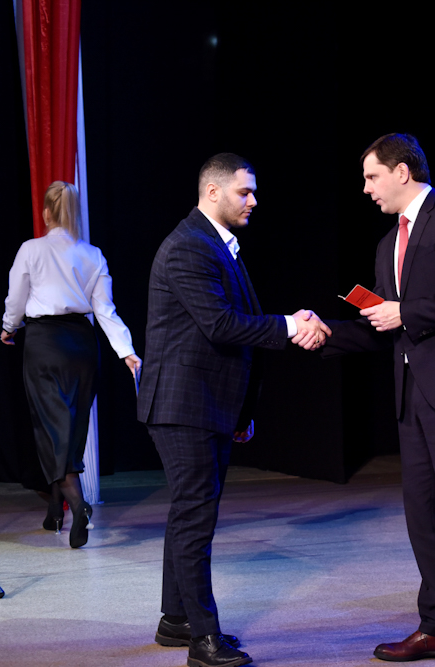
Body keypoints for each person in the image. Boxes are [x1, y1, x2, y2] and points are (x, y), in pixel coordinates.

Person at [137, 153, 329, 667]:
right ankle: (204, 641)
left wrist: (242, 410)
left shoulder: (217, 245)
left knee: (189, 513)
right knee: (195, 518)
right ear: (213, 192)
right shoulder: (189, 246)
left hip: (205, 404)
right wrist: (291, 325)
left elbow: (233, 327)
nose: (254, 201)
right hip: (183, 404)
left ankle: (176, 620)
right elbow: (221, 325)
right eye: (245, 191)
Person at [321, 133, 435, 667]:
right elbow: (383, 327)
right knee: (423, 516)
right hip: (411, 395)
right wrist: (324, 334)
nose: (366, 188)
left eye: (372, 177)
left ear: (402, 172)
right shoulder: (387, 244)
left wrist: (406, 311)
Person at [1, 180, 141, 549]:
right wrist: (125, 350)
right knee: (70, 428)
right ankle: (54, 510)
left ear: (46, 212)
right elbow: (105, 310)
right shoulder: (93, 255)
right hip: (82, 346)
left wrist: (8, 327)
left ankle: (77, 506)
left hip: (45, 344)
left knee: (53, 430)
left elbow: (16, 299)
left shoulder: (31, 249)